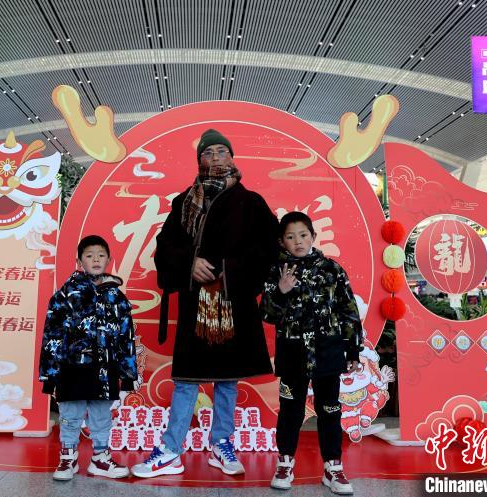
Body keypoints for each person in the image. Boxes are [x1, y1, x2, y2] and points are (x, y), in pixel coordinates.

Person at [131, 129, 278, 478]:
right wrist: (189, 263)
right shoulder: (185, 201)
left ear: (232, 157)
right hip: (196, 302)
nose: (215, 157)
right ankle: (170, 450)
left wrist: (228, 270)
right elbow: (165, 246)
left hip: (232, 299)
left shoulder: (251, 202)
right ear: (199, 160)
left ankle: (221, 444)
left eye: (221, 151)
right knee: (186, 378)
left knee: (228, 379)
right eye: (208, 153)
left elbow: (269, 248)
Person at [260, 211, 363, 494]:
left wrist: (353, 350)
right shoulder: (276, 271)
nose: (298, 241)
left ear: (313, 236)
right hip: (292, 353)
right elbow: (266, 314)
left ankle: (333, 467)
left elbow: (348, 310)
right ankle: (285, 463)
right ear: (282, 241)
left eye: (303, 235)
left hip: (328, 352)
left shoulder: (332, 269)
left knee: (330, 410)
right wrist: (281, 291)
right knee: (290, 411)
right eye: (291, 237)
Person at [38, 235, 138, 481]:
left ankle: (100, 458)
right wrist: (49, 375)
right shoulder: (66, 294)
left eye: (101, 255)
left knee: (102, 416)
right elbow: (53, 334)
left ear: (109, 260)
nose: (95, 259)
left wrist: (127, 375)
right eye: (89, 255)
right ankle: (68, 458)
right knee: (70, 414)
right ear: (79, 260)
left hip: (105, 368)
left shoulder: (117, 297)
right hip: (72, 368)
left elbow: (126, 337)